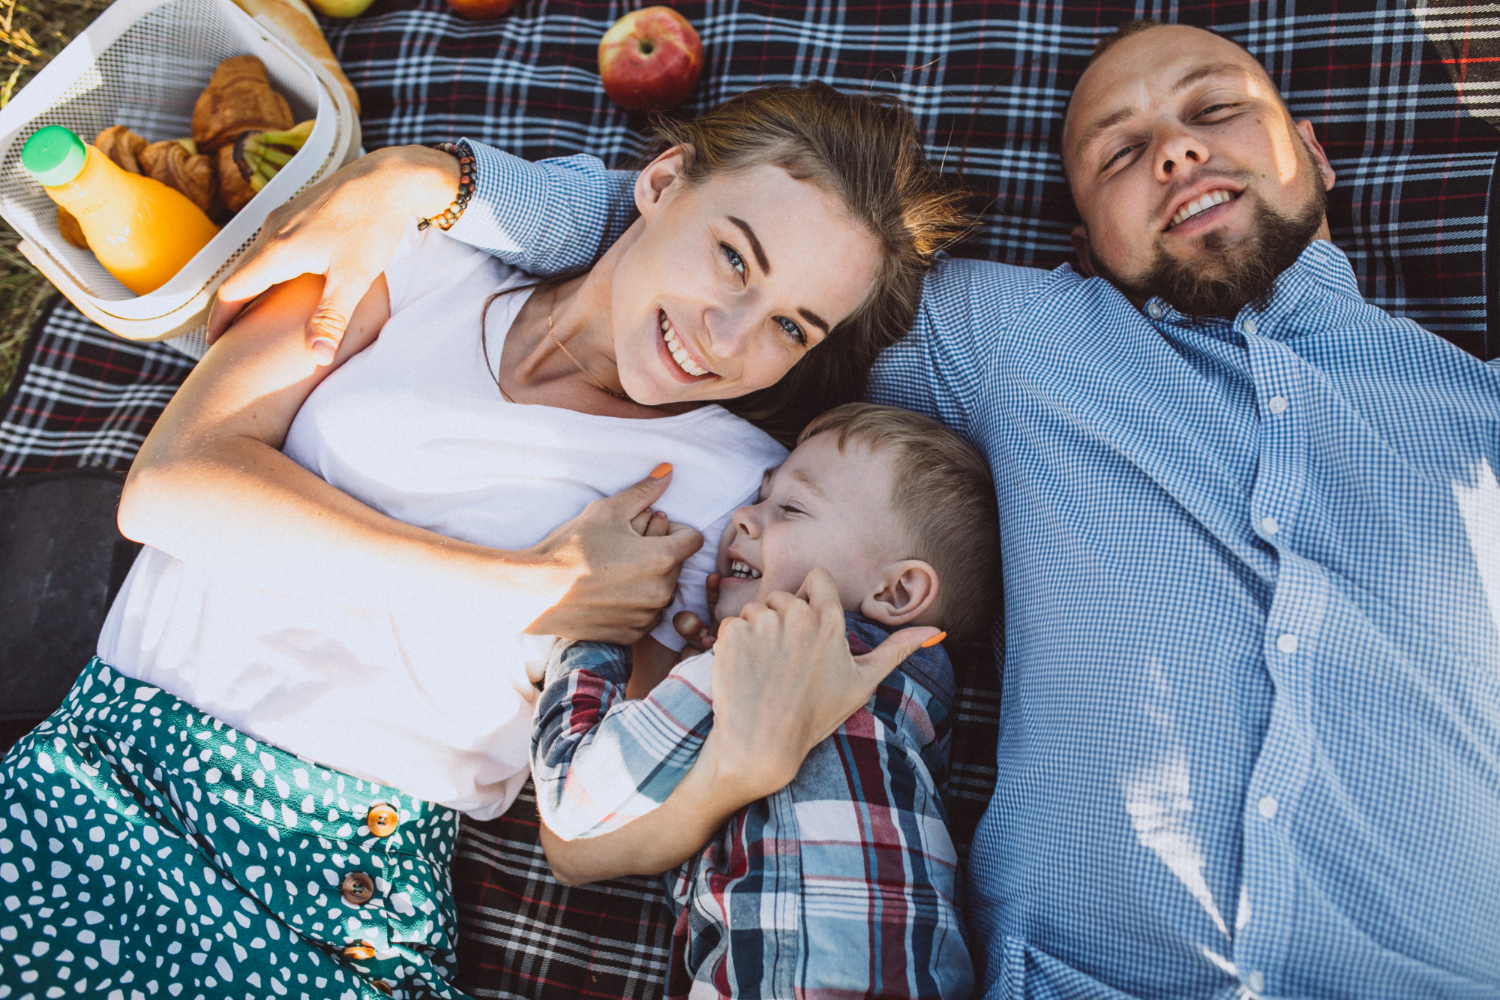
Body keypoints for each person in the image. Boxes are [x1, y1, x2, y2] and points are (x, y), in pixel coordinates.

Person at [211, 20, 1500, 1000]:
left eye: (1215, 111)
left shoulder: (1477, 415)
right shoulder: (1022, 339)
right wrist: (440, 181)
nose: (1171, 148)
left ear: (1313, 154)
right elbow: (737, 248)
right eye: (1117, 152)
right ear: (1089, 227)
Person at [0, 85, 969, 1000]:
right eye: (733, 257)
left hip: (328, 867)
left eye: (790, 325)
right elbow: (173, 487)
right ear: (663, 184)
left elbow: (585, 827)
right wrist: (515, 589)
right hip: (94, 767)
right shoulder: (411, 259)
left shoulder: (730, 498)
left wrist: (735, 771)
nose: (726, 335)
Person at [532, 402, 999, 999]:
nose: (743, 519)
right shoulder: (917, 701)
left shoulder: (790, 650)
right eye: (760, 496)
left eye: (791, 508)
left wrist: (595, 616)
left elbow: (577, 795)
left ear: (897, 590)